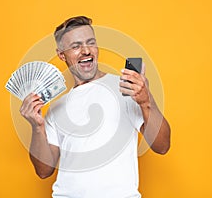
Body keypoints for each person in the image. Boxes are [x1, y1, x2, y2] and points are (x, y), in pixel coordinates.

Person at [19, 16, 171, 198]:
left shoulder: (126, 89)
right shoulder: (56, 107)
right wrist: (37, 127)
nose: (85, 51)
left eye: (90, 43)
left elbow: (162, 146)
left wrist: (147, 101)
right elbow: (44, 171)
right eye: (75, 46)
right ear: (61, 55)